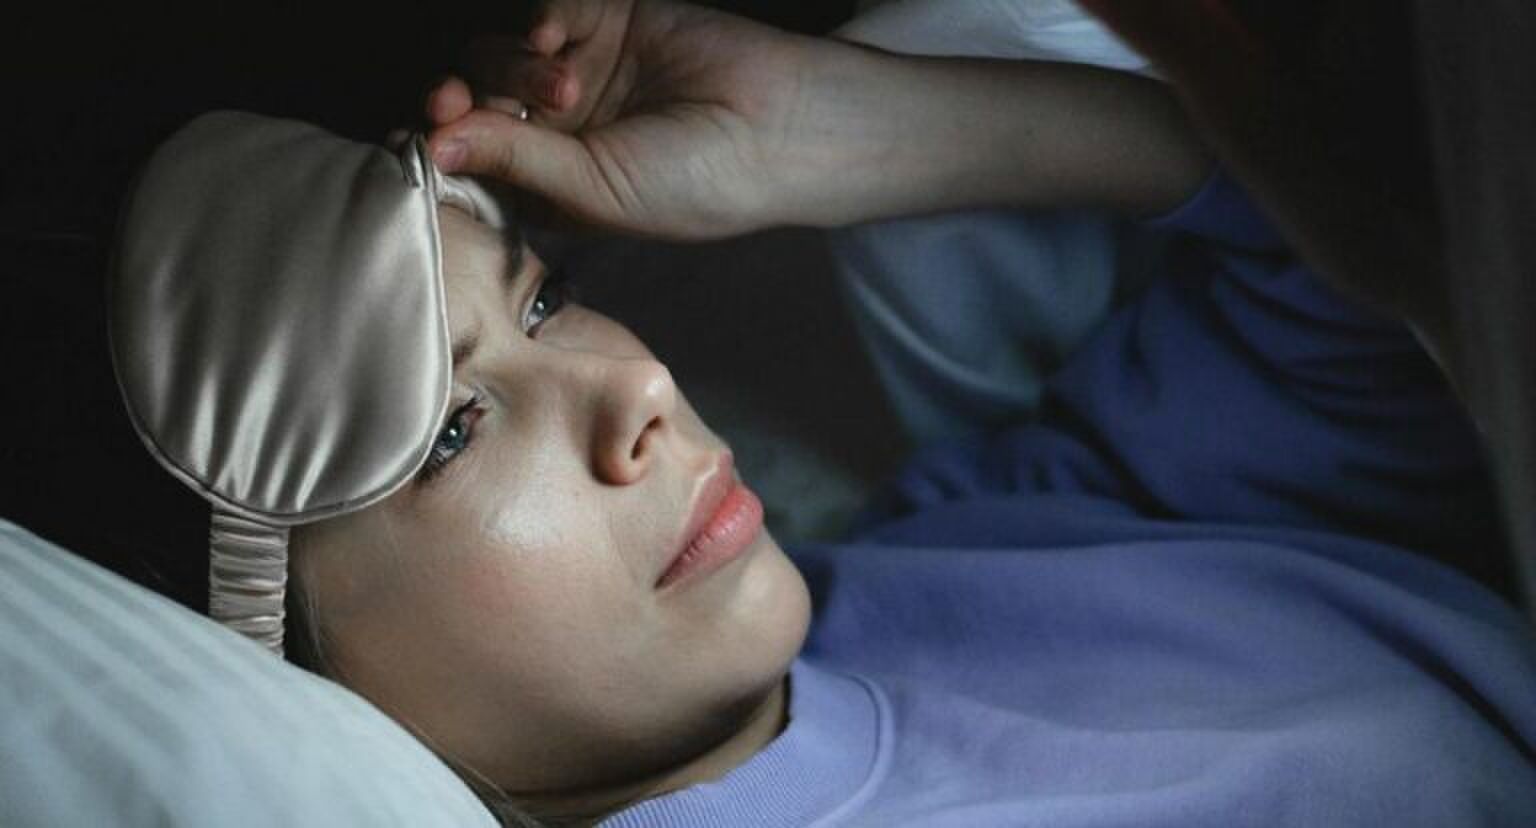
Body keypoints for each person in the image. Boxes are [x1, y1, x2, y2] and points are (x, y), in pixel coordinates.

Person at [108, 1, 1536, 825]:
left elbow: (1398, 283)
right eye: (452, 433)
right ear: (277, 671)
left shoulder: (953, 563)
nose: (640, 390)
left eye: (540, 301)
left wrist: (853, 130)